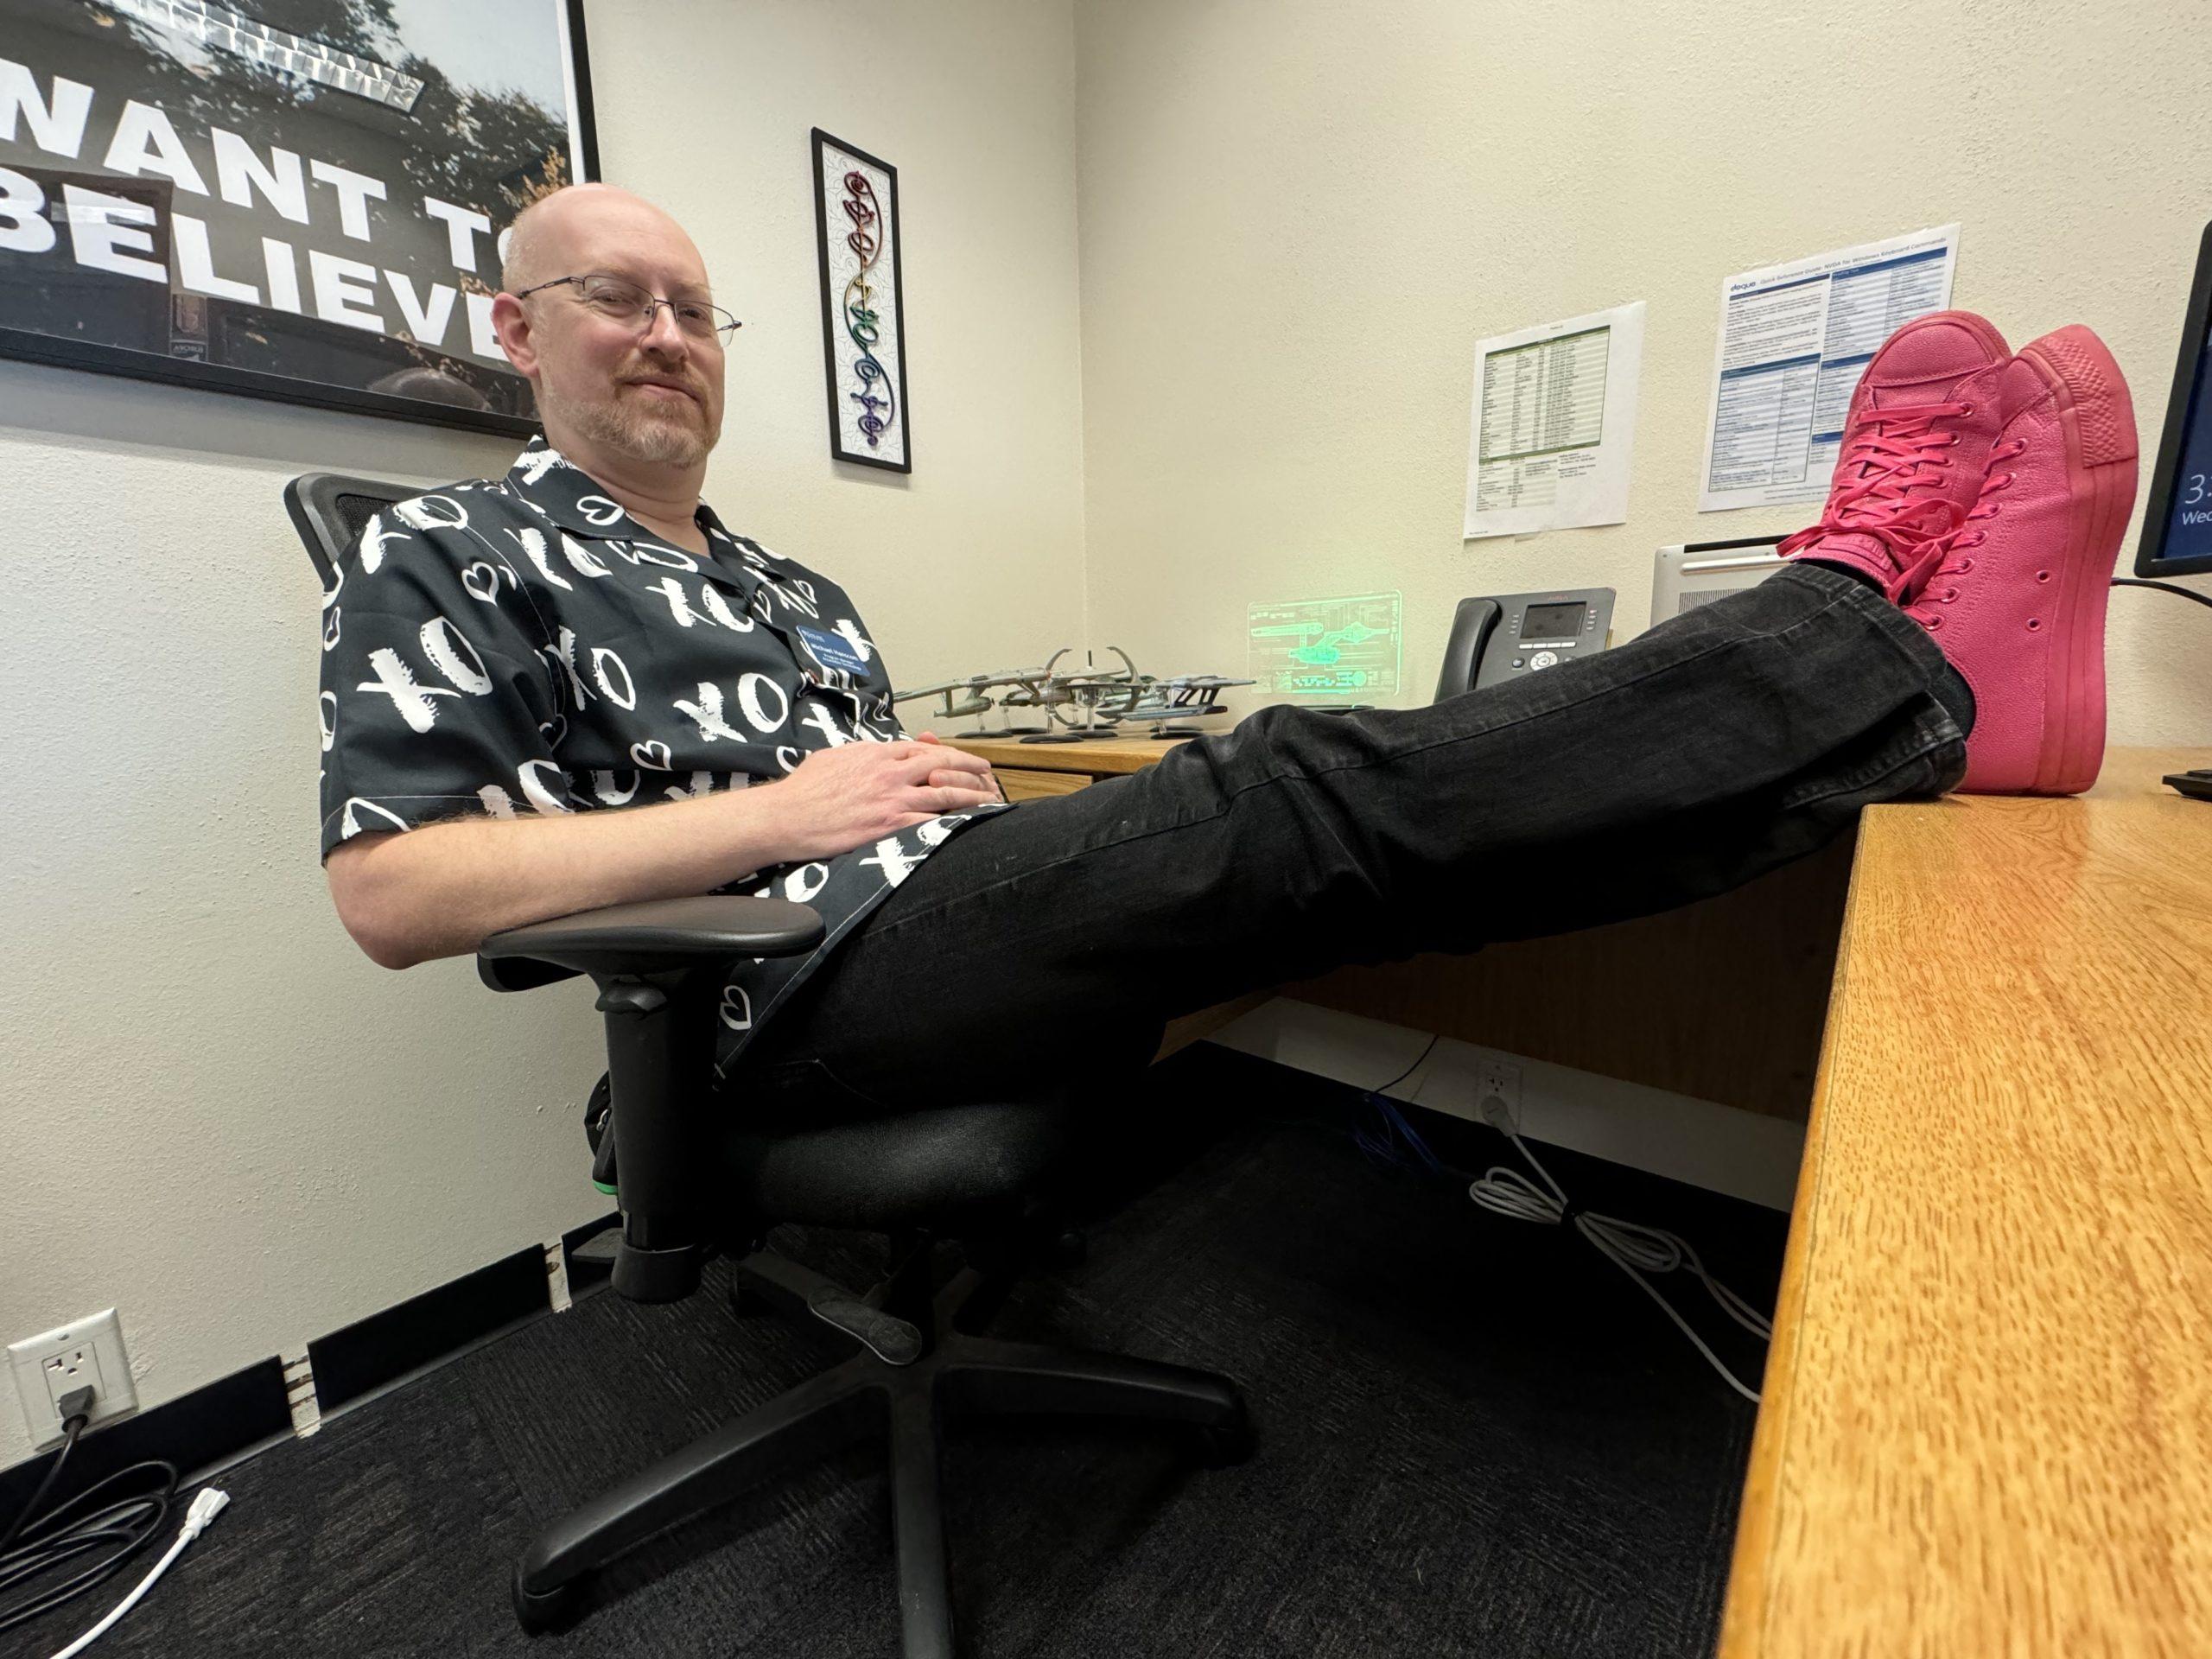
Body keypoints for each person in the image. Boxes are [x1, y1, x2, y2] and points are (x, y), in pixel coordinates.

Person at [318, 184, 2137, 1120]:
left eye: (695, 310)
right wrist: (794, 805)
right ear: (515, 329)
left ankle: (1903, 697)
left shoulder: (789, 580)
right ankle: (1879, 630)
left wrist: (918, 790)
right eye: (615, 300)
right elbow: (396, 895)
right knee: (1282, 788)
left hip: (930, 913)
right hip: (768, 1002)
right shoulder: (447, 542)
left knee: (1377, 860)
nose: (665, 336)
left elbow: (862, 803)